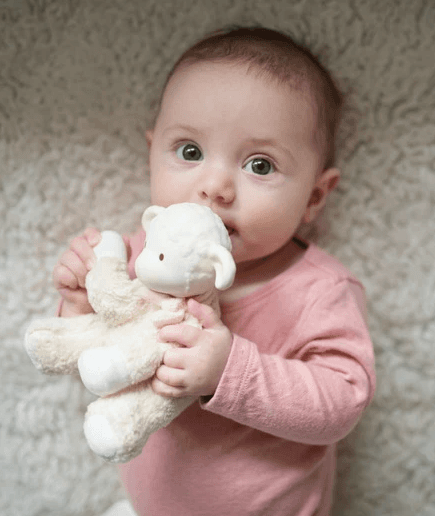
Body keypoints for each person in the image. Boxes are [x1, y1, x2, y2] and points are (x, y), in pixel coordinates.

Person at [52, 26, 376, 516]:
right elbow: (105, 367)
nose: (215, 186)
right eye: (190, 152)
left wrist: (230, 372)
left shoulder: (318, 289)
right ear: (151, 154)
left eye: (260, 165)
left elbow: (343, 401)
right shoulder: (143, 260)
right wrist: (79, 305)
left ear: (314, 197)